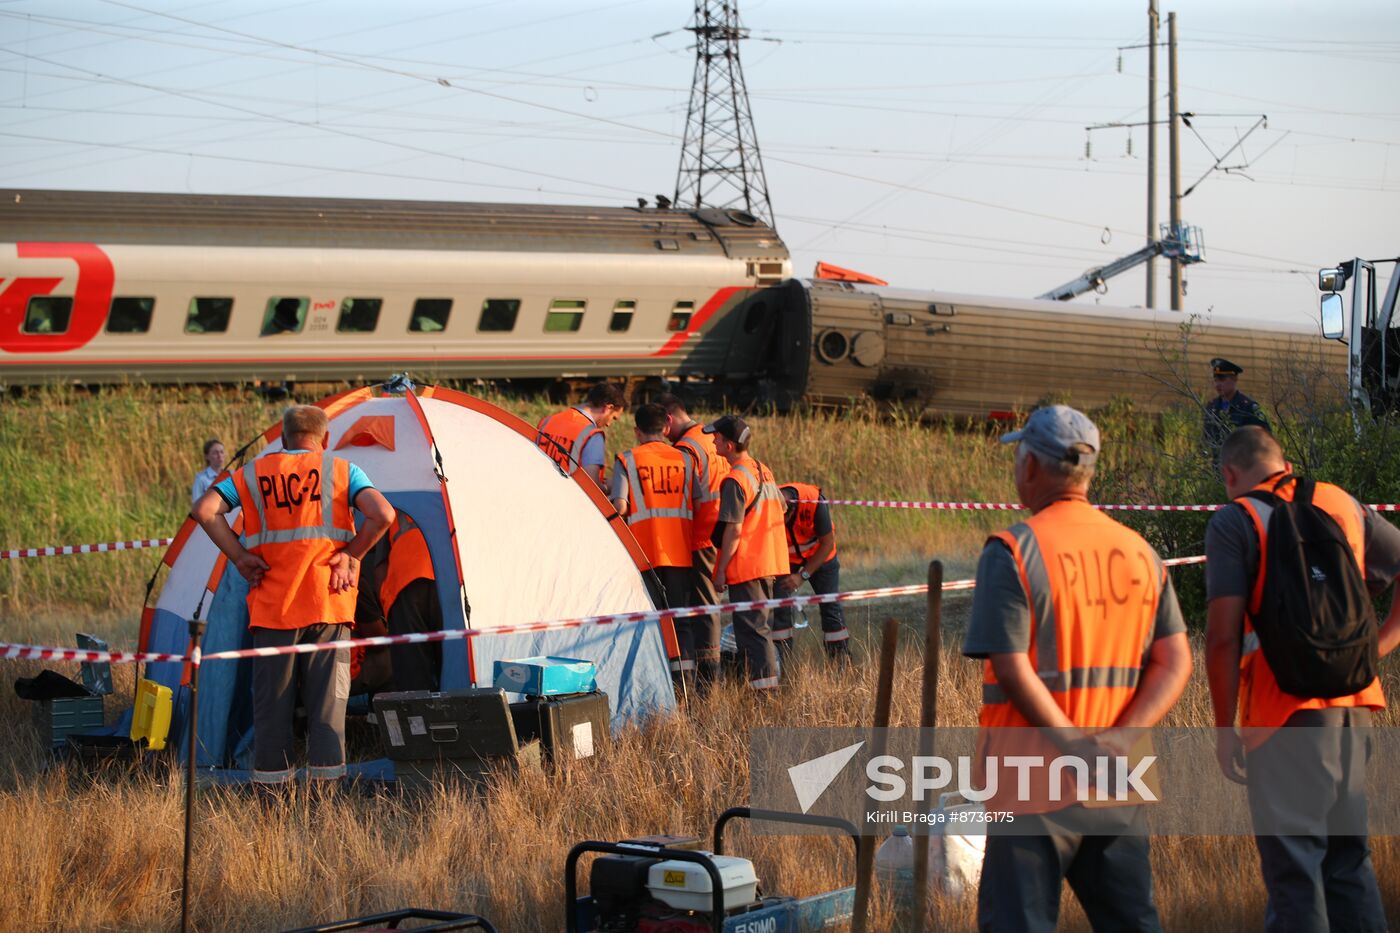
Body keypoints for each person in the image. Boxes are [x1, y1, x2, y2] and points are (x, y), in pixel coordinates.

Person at [962, 404, 1192, 932]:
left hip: (1032, 781)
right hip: (1118, 779)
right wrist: (1117, 741)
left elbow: (1012, 667)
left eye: (1019, 454)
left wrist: (1074, 747)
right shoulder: (1139, 553)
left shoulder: (1013, 550)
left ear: (1031, 467)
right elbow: (1176, 658)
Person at [1204, 426, 1400, 932]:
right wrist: (1374, 649)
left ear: (1230, 473)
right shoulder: (1341, 503)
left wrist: (1224, 730)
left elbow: (1223, 637)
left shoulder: (1236, 520)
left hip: (1281, 716)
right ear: (1282, 461)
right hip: (1354, 707)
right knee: (1349, 865)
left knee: (1295, 877)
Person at [193, 405, 395, 786]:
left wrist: (239, 557)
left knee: (271, 714)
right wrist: (352, 555)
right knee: (327, 714)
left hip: (272, 610)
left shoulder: (252, 474)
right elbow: (383, 514)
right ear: (326, 440)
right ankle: (326, 804)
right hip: (328, 606)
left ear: (283, 439)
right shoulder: (343, 471)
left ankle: (273, 805)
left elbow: (205, 510)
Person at [610, 403, 695, 680]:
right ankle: (686, 687)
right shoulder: (684, 460)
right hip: (681, 553)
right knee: (681, 623)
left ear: (637, 431)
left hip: (643, 554)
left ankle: (659, 682)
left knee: (653, 622)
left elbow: (620, 506)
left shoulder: (627, 460)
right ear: (666, 428)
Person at [706, 414, 789, 692]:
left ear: (729, 445)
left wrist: (719, 571)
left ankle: (765, 696)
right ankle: (765, 688)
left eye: (716, 437)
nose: (713, 440)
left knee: (753, 634)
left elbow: (734, 531)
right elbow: (783, 508)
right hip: (769, 562)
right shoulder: (762, 470)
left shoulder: (734, 480)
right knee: (760, 630)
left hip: (748, 567)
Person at [657, 393, 730, 686]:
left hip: (702, 536)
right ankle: (709, 672)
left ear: (669, 420)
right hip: (721, 531)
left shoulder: (686, 449)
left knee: (705, 609)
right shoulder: (709, 437)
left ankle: (708, 678)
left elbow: (685, 496)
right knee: (709, 605)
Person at [772, 483, 850, 664]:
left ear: (790, 511)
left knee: (830, 605)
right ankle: (781, 664)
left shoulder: (814, 501)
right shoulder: (770, 504)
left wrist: (803, 576)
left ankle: (840, 661)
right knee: (779, 607)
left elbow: (827, 543)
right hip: (786, 559)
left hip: (821, 555)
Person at [378, 511, 441, 692]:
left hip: (404, 585)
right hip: (450, 583)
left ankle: (419, 718)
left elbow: (379, 568)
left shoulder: (391, 498)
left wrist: (386, 610)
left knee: (413, 675)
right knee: (453, 665)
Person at [535, 382, 626, 489]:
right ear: (608, 408)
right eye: (613, 418)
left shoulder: (547, 421)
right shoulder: (592, 436)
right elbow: (591, 486)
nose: (608, 424)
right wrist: (609, 487)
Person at [1203, 357, 1269, 455]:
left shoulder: (1248, 407)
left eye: (1222, 379)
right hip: (1218, 465)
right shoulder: (1212, 407)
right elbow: (1206, 439)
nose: (1218, 384)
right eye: (1216, 380)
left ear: (1234, 379)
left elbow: (1264, 439)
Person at [191, 438, 226, 505]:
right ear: (207, 456)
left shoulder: (230, 475)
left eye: (222, 452)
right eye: (215, 453)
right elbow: (196, 505)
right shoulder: (201, 479)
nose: (219, 456)